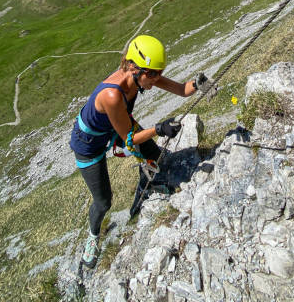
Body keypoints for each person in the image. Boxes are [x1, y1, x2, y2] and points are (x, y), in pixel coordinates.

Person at [69, 34, 210, 269]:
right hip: (88, 146)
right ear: (133, 67)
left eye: (159, 72)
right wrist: (159, 129)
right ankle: (93, 238)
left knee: (155, 156)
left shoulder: (144, 76)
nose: (156, 79)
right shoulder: (112, 95)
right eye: (152, 73)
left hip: (114, 128)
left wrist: (197, 84)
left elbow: (182, 90)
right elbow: (131, 140)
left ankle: (148, 179)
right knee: (103, 202)